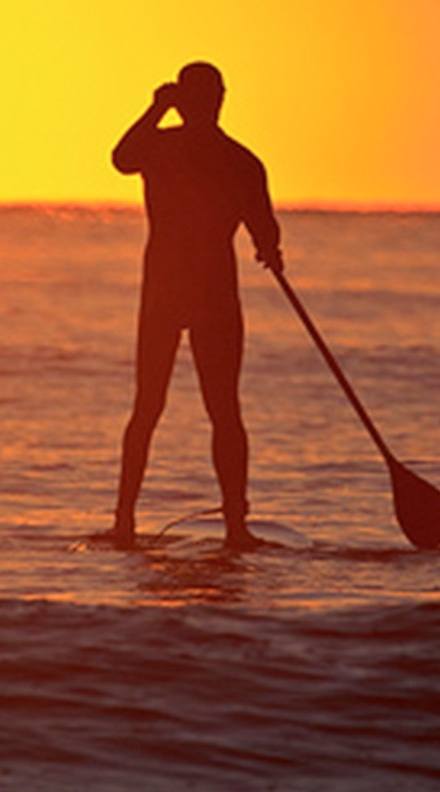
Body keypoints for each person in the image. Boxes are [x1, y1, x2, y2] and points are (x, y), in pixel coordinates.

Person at [110, 62, 283, 550]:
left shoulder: (173, 149)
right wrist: (270, 248)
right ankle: (231, 529)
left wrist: (156, 108)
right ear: (218, 99)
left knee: (166, 408)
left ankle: (130, 523)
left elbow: (124, 157)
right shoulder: (236, 160)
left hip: (182, 292)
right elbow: (265, 231)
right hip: (197, 293)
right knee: (206, 410)